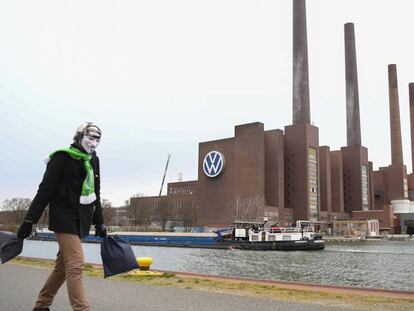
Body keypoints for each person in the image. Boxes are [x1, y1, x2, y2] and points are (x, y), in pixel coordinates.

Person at [17, 122, 107, 311]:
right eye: (90, 137)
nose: (93, 142)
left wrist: (99, 221)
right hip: (63, 217)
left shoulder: (93, 160)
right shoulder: (62, 157)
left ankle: (41, 305)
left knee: (62, 267)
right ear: (79, 136)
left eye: (97, 139)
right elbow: (45, 191)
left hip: (81, 219)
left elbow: (96, 193)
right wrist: (29, 220)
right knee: (76, 264)